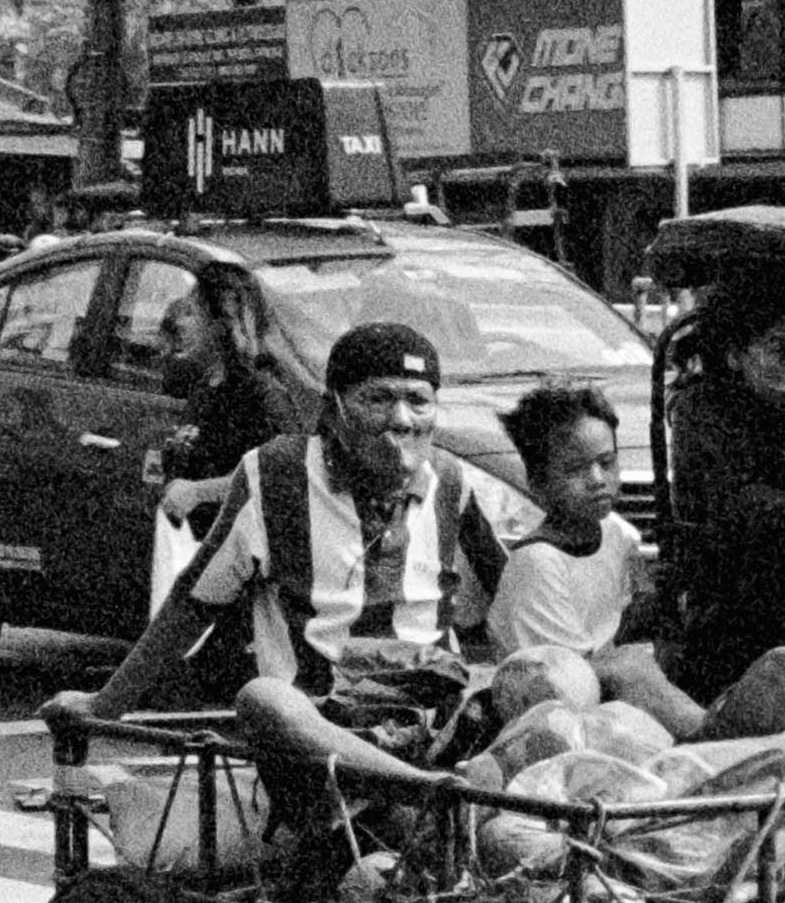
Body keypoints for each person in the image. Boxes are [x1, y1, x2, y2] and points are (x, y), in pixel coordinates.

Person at [45, 321, 510, 815]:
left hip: (433, 726)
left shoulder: (451, 480)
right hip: (318, 739)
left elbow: (508, 580)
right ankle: (427, 794)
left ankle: (437, 796)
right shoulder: (277, 473)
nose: (402, 419)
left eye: (419, 400)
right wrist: (104, 706)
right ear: (335, 407)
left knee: (550, 673)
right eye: (377, 399)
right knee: (263, 698)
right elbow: (195, 602)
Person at [489, 379, 785, 742]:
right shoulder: (538, 562)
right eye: (576, 470)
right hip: (551, 702)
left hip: (610, 686)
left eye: (606, 462)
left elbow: (628, 617)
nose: (598, 480)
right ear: (539, 484)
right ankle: (707, 730)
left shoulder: (616, 534)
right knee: (630, 666)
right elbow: (563, 675)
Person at [665, 276, 785, 700]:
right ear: (735, 353)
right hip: (733, 604)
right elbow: (727, 498)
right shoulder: (701, 409)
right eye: (780, 350)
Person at [157, 262, 296, 539]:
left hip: (243, 555)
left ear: (221, 325)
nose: (179, 324)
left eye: (191, 312)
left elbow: (282, 476)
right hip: (198, 542)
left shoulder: (263, 392)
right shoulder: (206, 382)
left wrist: (199, 492)